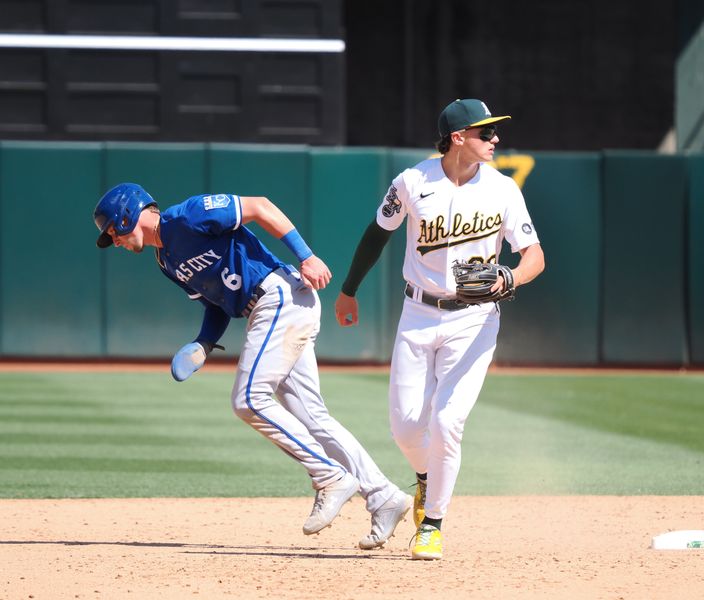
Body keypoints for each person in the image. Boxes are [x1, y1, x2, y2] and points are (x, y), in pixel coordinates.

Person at [93, 183, 412, 549]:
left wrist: (306, 255)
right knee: (313, 418)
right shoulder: (165, 261)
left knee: (248, 399)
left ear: (125, 215)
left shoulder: (188, 216)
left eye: (112, 232)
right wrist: (205, 342)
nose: (112, 240)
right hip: (274, 307)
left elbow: (260, 206)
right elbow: (214, 304)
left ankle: (329, 476)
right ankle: (385, 497)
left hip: (278, 296)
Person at [334, 98, 545, 560]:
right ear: (457, 138)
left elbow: (534, 255)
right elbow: (377, 233)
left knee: (447, 421)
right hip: (418, 313)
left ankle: (432, 523)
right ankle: (427, 477)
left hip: (475, 318)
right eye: (485, 132)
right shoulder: (412, 182)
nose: (495, 138)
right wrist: (348, 290)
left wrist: (510, 276)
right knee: (406, 429)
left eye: (494, 131)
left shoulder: (504, 189)